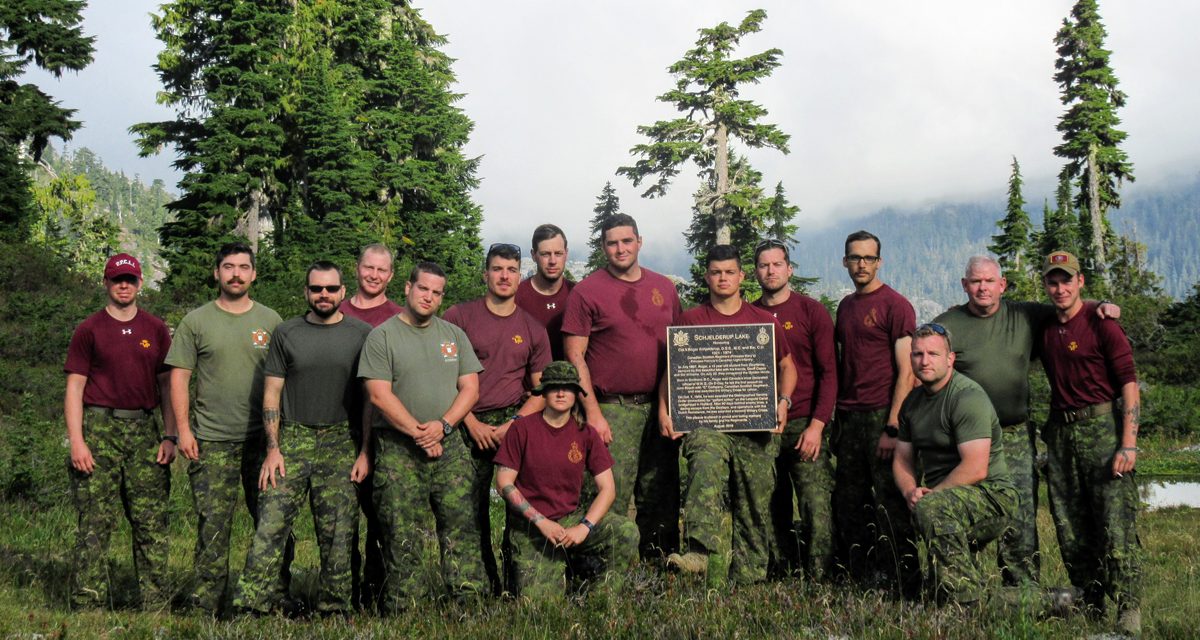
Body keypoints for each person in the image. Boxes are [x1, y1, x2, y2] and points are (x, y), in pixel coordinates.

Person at [933, 256, 1121, 588]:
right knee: (961, 511)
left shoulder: (1024, 315)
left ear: (1002, 285)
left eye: (990, 281)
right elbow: (925, 367)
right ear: (965, 286)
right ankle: (960, 589)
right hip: (963, 439)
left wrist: (1101, 305)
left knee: (1019, 517)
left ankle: (1023, 591)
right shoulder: (948, 324)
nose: (983, 288)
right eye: (976, 282)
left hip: (1015, 435)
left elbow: (1067, 304)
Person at [232, 261, 373, 616]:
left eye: (330, 289)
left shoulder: (362, 334)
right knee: (270, 525)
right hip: (292, 439)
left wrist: (365, 451)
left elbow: (372, 397)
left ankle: (335, 607)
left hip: (342, 439)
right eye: (316, 289)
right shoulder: (286, 332)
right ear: (306, 292)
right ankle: (253, 605)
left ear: (342, 291)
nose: (323, 295)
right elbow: (271, 394)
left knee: (339, 533)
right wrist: (273, 448)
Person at [660, 244, 796, 585]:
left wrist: (784, 401)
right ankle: (700, 551)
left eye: (729, 272)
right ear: (707, 277)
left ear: (741, 276)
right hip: (707, 422)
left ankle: (749, 579)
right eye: (716, 272)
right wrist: (664, 410)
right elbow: (671, 372)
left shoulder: (764, 322)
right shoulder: (689, 320)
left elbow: (787, 367)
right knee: (704, 462)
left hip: (755, 427)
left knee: (754, 501)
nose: (723, 278)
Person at [166, 241, 287, 615]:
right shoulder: (196, 321)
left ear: (254, 273)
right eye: (229, 267)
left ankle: (272, 596)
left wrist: (279, 441)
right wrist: (183, 431)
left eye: (244, 267)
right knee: (212, 526)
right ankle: (207, 603)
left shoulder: (271, 322)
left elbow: (285, 380)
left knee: (271, 522)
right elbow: (179, 379)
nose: (236, 273)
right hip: (211, 441)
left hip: (261, 442)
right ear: (217, 272)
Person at [357, 261, 486, 610]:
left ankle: (468, 602)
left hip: (450, 446)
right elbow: (379, 395)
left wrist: (442, 427)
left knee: (461, 525)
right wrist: (420, 433)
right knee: (400, 531)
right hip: (400, 448)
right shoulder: (382, 336)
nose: (428, 297)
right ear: (407, 288)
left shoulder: (453, 336)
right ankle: (405, 605)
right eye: (423, 288)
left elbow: (470, 389)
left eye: (436, 292)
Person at [562, 213, 682, 558]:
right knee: (608, 492)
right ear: (603, 247)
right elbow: (575, 356)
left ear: (639, 242)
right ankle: (604, 570)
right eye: (612, 243)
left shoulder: (664, 288)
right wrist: (594, 414)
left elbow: (680, 349)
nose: (620, 249)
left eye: (627, 241)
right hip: (612, 409)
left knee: (660, 491)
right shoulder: (587, 292)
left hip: (659, 407)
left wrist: (672, 407)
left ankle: (660, 565)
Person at [1039, 251, 1142, 636]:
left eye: (1067, 280)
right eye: (1053, 281)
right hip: (1061, 434)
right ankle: (1093, 602)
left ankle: (1128, 608)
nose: (1060, 288)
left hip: (1102, 428)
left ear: (1081, 281)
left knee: (1116, 522)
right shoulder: (1045, 326)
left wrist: (1128, 444)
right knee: (1070, 525)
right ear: (1045, 284)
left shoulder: (1102, 325)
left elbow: (1129, 386)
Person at [64, 253, 175, 609]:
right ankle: (88, 603)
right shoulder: (89, 329)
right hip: (99, 428)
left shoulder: (155, 329)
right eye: (116, 280)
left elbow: (167, 385)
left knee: (151, 522)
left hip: (145, 428)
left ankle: (156, 604)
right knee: (95, 522)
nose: (123, 285)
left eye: (129, 279)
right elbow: (74, 389)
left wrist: (170, 434)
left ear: (140, 283)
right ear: (106, 284)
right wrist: (77, 441)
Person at [443, 242, 552, 594]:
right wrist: (468, 422)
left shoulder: (532, 327)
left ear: (520, 276)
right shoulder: (459, 318)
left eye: (511, 270)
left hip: (513, 421)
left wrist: (514, 425)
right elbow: (440, 375)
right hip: (465, 419)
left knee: (519, 508)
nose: (504, 276)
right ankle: (471, 590)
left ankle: (517, 584)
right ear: (485, 273)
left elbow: (542, 389)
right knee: (463, 510)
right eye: (497, 269)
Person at [893, 323, 1017, 606]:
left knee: (931, 509)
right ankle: (1055, 600)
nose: (925, 361)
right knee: (904, 505)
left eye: (933, 354)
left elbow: (976, 468)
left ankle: (966, 605)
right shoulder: (912, 403)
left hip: (991, 495)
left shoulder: (966, 397)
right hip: (946, 496)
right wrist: (910, 491)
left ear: (950, 359)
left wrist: (930, 497)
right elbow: (902, 459)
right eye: (918, 354)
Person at [494, 361, 638, 599]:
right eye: (554, 388)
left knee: (624, 532)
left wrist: (584, 527)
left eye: (568, 388)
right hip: (532, 527)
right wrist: (541, 522)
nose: (561, 393)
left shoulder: (586, 433)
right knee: (541, 609)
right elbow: (503, 483)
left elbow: (608, 489)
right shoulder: (522, 429)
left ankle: (598, 598)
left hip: (570, 520)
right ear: (543, 392)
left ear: (576, 394)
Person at [831, 230, 920, 597]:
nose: (861, 264)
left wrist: (893, 425)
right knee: (850, 500)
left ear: (879, 261)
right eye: (855, 258)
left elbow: (908, 371)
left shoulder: (896, 306)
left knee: (890, 502)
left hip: (883, 415)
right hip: (849, 417)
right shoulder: (846, 306)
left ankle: (905, 579)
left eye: (868, 258)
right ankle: (863, 575)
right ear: (845, 262)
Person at [752, 239, 837, 581]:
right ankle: (782, 571)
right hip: (763, 423)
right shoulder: (749, 314)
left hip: (804, 422)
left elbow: (830, 373)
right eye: (763, 265)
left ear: (789, 269)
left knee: (816, 502)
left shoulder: (811, 312)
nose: (770, 271)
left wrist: (817, 427)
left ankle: (821, 574)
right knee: (771, 504)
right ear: (755, 271)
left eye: (777, 264)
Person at [339, 243, 402, 609]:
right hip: (340, 426)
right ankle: (344, 591)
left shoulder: (398, 317)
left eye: (382, 270)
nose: (374, 275)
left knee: (382, 516)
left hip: (383, 430)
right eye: (368, 268)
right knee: (342, 517)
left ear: (391, 275)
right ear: (357, 268)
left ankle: (377, 591)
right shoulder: (337, 310)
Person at [516, 224, 575, 361]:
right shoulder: (516, 297)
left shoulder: (578, 295)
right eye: (545, 254)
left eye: (558, 253)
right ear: (533, 255)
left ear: (566, 254)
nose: (552, 261)